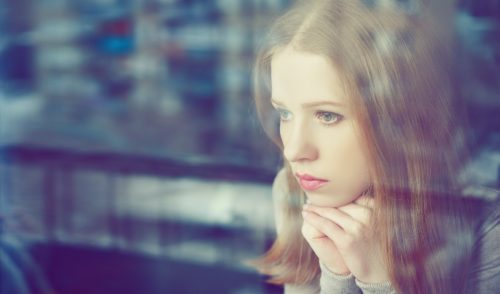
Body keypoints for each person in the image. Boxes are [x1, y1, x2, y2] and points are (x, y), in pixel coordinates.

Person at [251, 0, 499, 293]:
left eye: (328, 115)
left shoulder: (484, 221)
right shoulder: (292, 190)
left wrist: (378, 280)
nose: (294, 150)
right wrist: (337, 274)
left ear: (396, 119)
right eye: (285, 114)